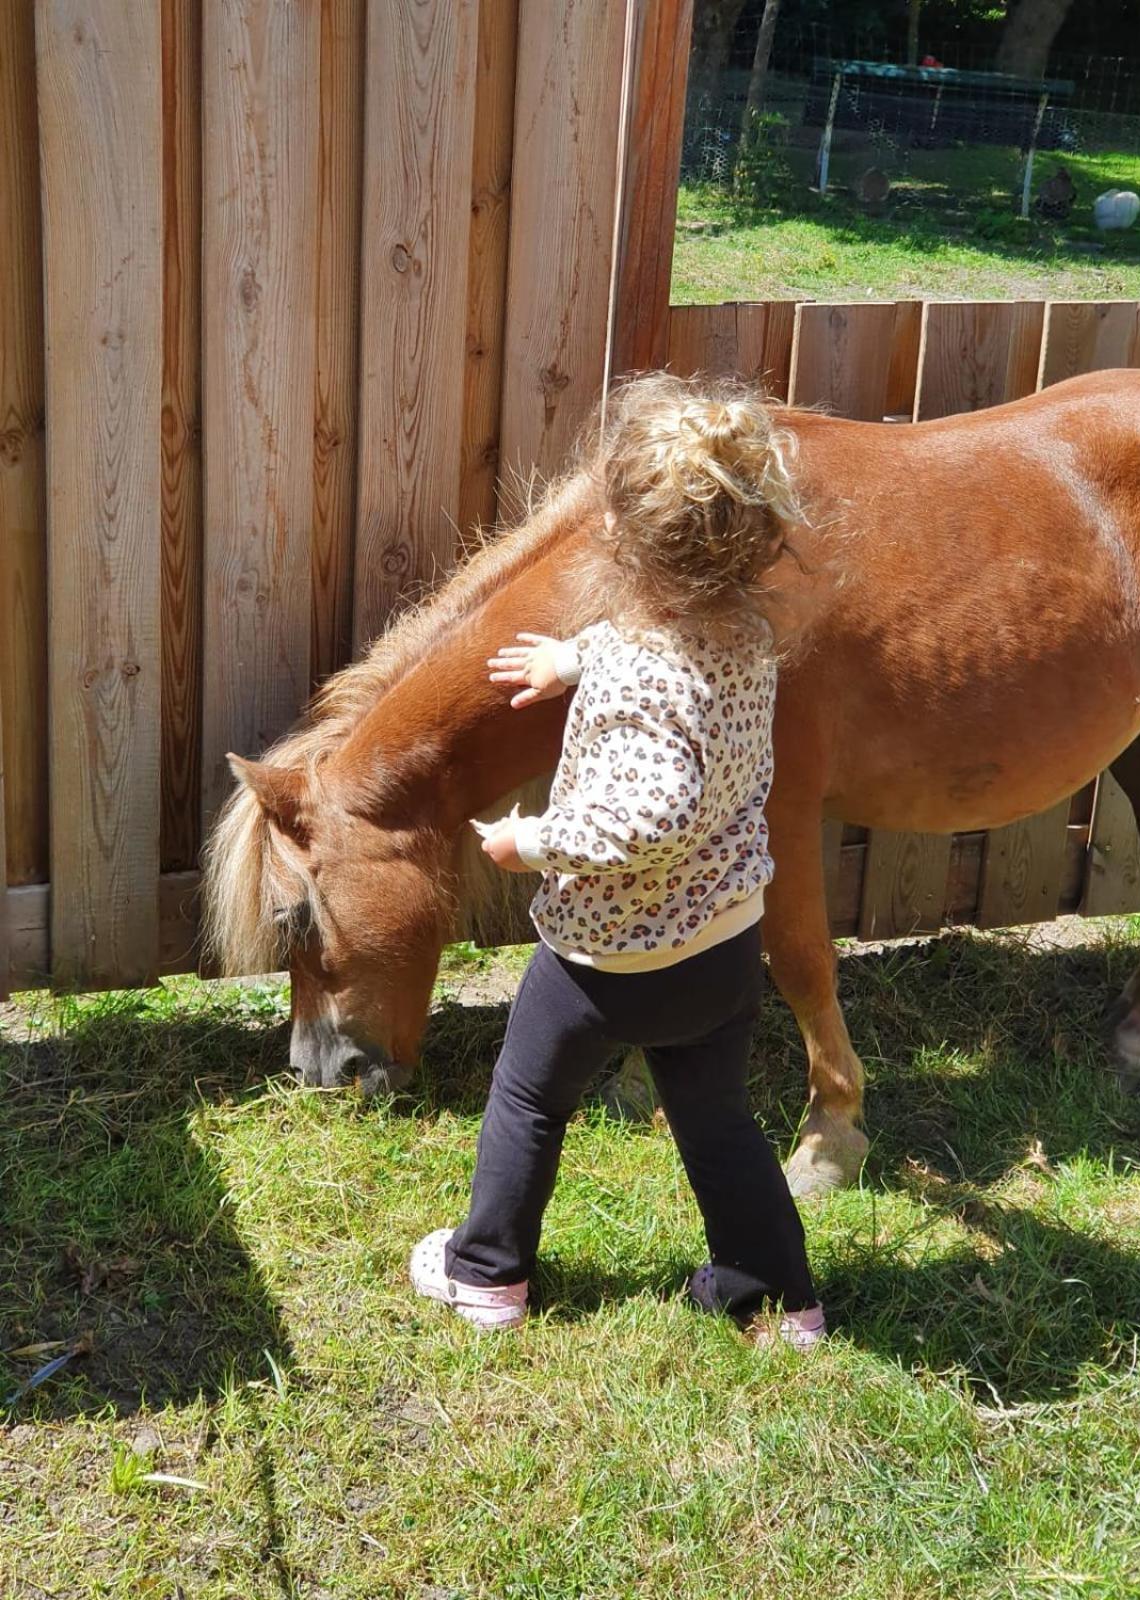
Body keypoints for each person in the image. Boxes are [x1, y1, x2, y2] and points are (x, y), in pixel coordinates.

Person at [409, 374, 825, 1348]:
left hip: (612, 960)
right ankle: (777, 1298)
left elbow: (648, 814)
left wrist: (532, 842)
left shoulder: (648, 662)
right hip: (724, 946)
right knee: (717, 1121)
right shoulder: (746, 631)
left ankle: (485, 1275)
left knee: (526, 1097)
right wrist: (571, 661)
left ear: (626, 542)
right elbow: (661, 651)